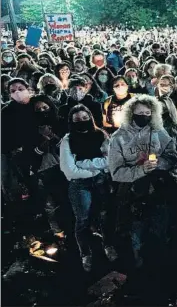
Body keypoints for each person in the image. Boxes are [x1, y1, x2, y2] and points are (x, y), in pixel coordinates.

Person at [108, 95, 177, 268]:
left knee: (160, 230)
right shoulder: (119, 137)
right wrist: (140, 170)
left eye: (148, 112)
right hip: (132, 193)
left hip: (159, 189)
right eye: (140, 113)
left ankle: (161, 267)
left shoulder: (159, 132)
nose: (144, 116)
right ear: (131, 113)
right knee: (136, 234)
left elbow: (173, 157)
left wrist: (160, 163)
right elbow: (116, 172)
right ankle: (139, 267)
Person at [59, 104, 118, 272]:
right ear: (71, 121)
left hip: (101, 182)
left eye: (85, 118)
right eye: (77, 120)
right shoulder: (67, 140)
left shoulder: (100, 134)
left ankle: (108, 245)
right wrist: (95, 171)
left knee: (105, 215)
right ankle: (85, 253)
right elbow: (69, 170)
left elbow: (111, 160)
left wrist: (84, 163)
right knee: (83, 220)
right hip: (80, 185)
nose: (82, 122)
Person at [30, 95, 67, 238]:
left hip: (62, 166)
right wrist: (43, 141)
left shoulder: (60, 123)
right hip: (42, 169)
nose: (42, 111)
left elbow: (65, 147)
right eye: (38, 109)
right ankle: (57, 231)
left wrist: (51, 135)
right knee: (49, 203)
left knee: (65, 198)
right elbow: (32, 154)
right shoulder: (31, 129)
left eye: (45, 107)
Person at [1, 78, 39, 201]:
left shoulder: (37, 104)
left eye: (20, 89)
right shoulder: (6, 111)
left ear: (28, 89)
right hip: (20, 153)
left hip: (41, 148)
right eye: (13, 90)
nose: (17, 92)